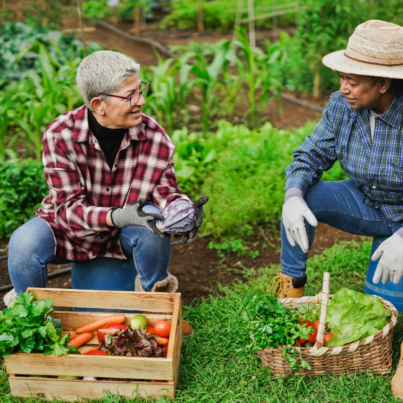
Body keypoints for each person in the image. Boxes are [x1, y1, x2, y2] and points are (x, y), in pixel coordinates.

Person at [4, 51, 208, 330]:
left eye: (141, 90)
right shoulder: (61, 135)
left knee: (153, 221)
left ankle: (160, 309)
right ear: (98, 104)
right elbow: (67, 210)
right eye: (130, 95)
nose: (142, 101)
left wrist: (182, 209)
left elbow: (164, 190)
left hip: (124, 235)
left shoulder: (153, 135)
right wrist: (118, 216)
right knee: (23, 244)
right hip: (70, 231)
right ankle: (34, 323)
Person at [268, 19, 403, 397]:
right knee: (304, 197)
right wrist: (293, 195)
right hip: (368, 202)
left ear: (383, 82)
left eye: (354, 80)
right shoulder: (342, 106)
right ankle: (291, 296)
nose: (344, 86)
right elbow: (309, 156)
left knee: (387, 304)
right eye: (342, 76)